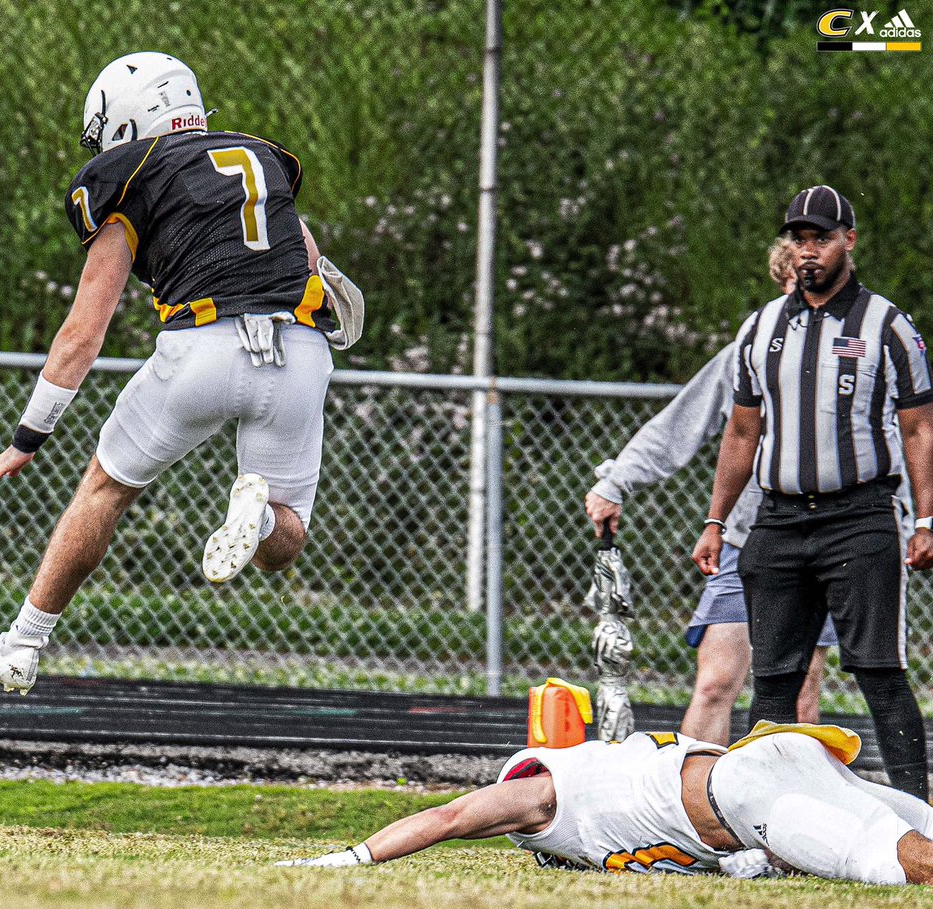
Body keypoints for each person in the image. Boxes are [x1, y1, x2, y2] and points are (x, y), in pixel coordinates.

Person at [0, 52, 360, 694]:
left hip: (206, 343)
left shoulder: (130, 172)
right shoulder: (260, 158)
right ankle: (255, 521)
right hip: (301, 350)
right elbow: (311, 262)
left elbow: (83, 331)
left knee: (105, 488)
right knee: (286, 540)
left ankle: (24, 644)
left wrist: (26, 439)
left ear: (125, 122)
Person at [693, 185, 933, 799]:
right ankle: (762, 820)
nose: (808, 252)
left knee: (879, 672)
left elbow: (918, 426)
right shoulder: (762, 325)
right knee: (773, 678)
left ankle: (920, 819)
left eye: (821, 238)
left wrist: (927, 519)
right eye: (798, 239)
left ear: (848, 242)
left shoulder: (886, 324)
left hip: (860, 516)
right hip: (777, 520)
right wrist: (716, 520)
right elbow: (743, 428)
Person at [584, 239, 837, 746]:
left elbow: (897, 443)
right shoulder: (748, 351)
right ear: (783, 285)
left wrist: (910, 522)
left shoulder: (852, 354)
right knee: (716, 682)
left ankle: (790, 811)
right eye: (794, 285)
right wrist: (616, 482)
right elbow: (678, 426)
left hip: (827, 540)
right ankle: (695, 811)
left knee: (802, 687)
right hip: (749, 541)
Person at [276, 725, 933, 884]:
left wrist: (350, 855)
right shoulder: (600, 796)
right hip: (756, 769)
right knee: (915, 829)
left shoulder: (540, 792)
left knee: (894, 860)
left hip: (740, 790)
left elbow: (448, 818)